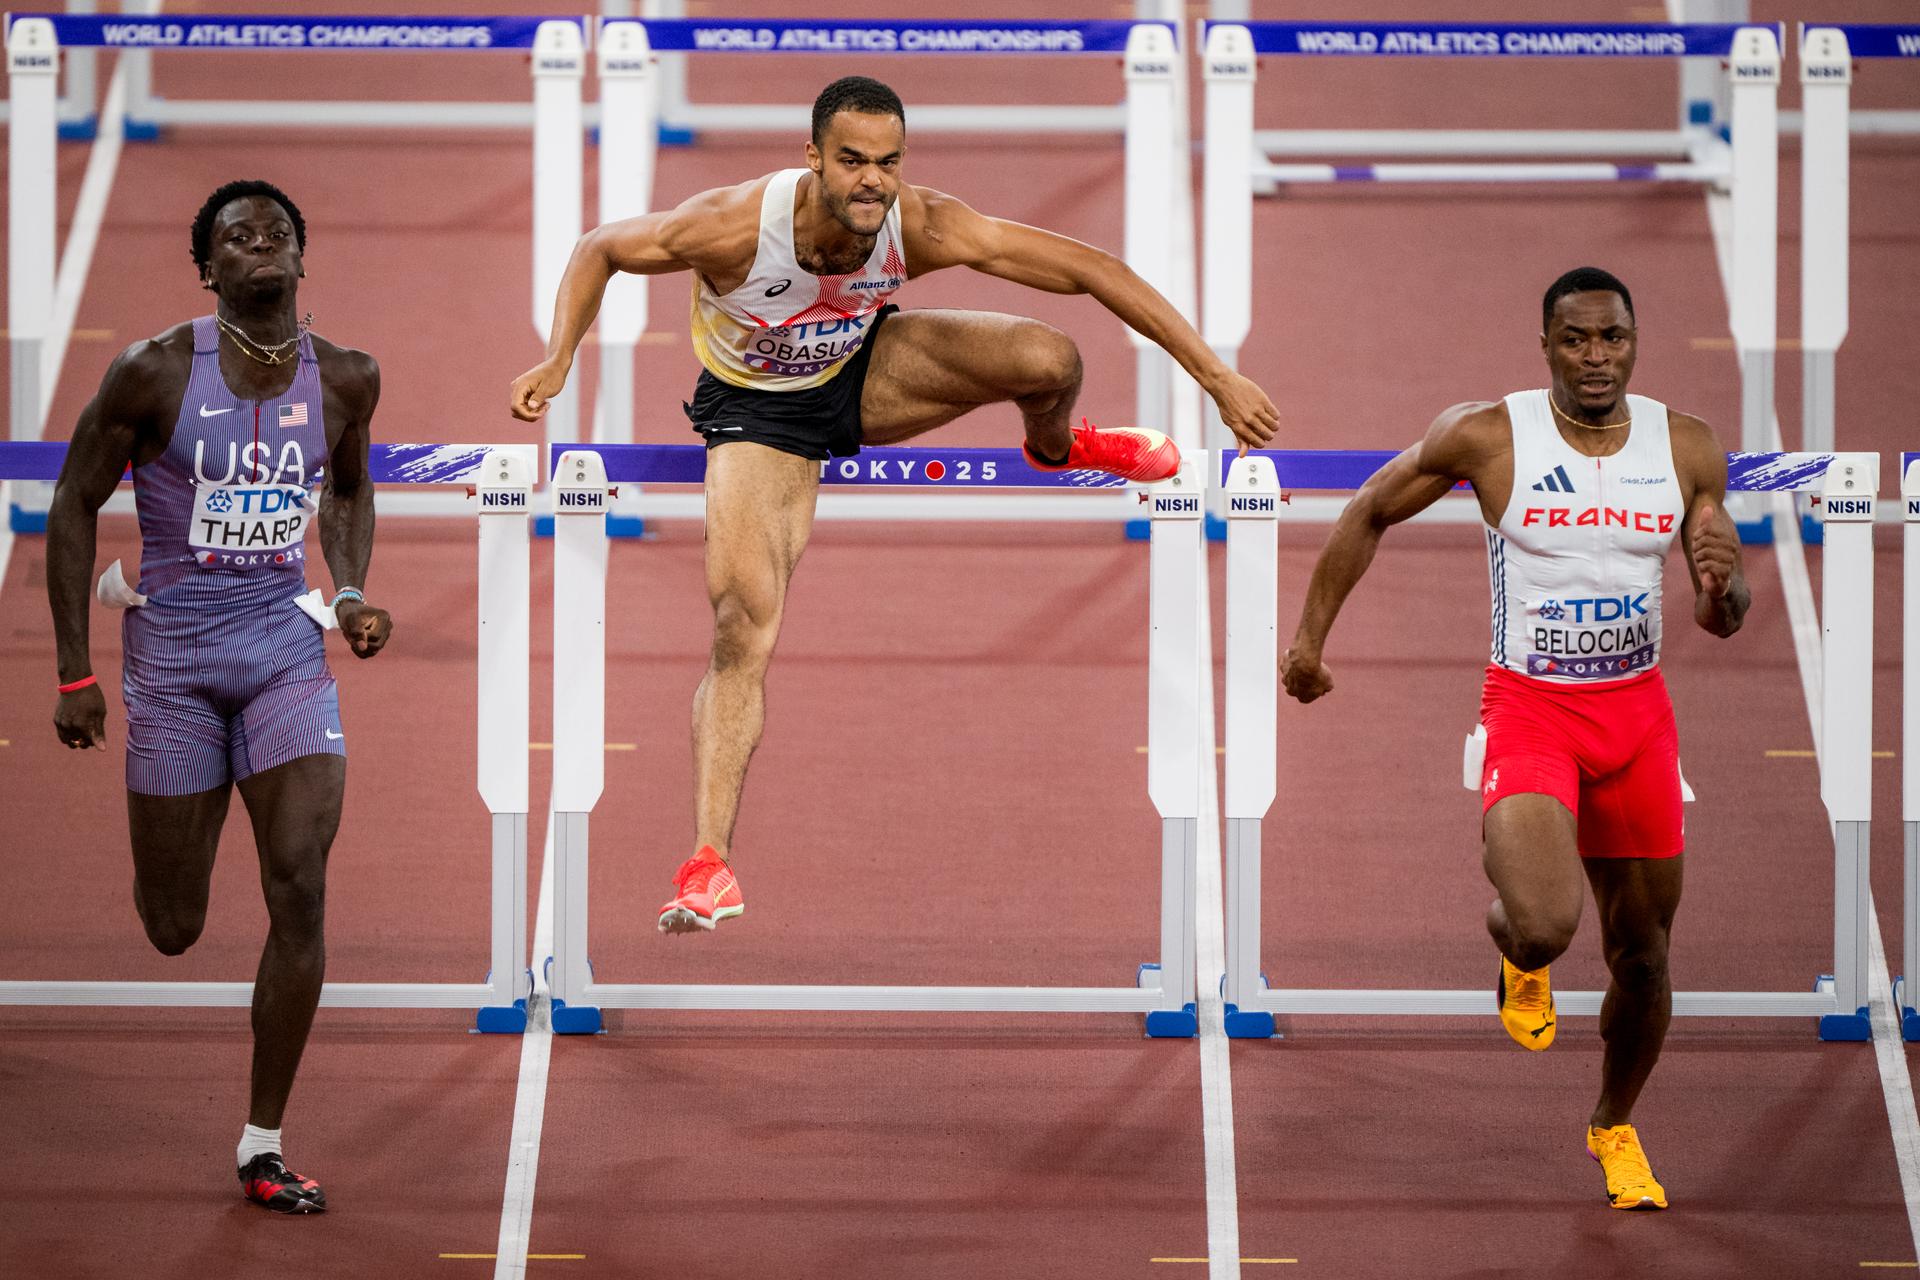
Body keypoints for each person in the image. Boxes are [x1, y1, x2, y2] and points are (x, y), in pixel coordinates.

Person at [509, 76, 1279, 935]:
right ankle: (709, 863)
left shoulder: (923, 222)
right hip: (760, 411)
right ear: (812, 159)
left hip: (866, 371)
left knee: (1050, 358)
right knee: (740, 624)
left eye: (888, 163)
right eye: (851, 162)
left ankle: (1059, 446)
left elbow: (1092, 270)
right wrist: (557, 359)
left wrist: (1216, 377)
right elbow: (600, 248)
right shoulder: (730, 225)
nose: (872, 181)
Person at [1280, 267, 1747, 1212]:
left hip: (1638, 717)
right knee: (1543, 922)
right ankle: (1520, 961)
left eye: (1611, 338)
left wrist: (1722, 587)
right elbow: (1370, 508)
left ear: (1634, 340)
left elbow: (1725, 615)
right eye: (1574, 340)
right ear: (1544, 347)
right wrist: (1308, 641)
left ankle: (1614, 1126)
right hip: (1532, 711)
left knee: (1646, 954)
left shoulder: (1687, 445)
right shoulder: (1488, 435)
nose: (1595, 358)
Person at [46, 179, 391, 1214]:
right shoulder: (151, 372)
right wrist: (74, 670)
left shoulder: (347, 376)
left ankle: (263, 1139)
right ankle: (174, 882)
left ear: (299, 254)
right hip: (174, 664)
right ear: (208, 268)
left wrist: (355, 590)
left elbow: (348, 486)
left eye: (275, 232)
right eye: (236, 238)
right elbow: (70, 503)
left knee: (300, 884)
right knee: (173, 924)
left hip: (286, 649)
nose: (259, 246)